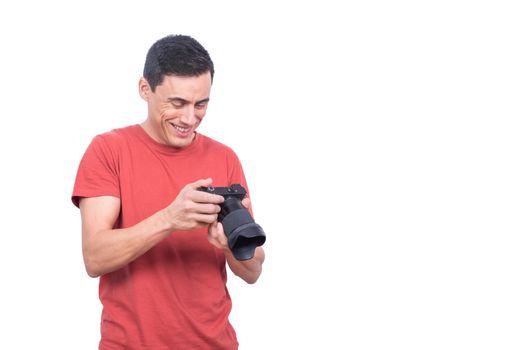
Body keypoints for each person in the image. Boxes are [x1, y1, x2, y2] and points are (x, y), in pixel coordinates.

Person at [71, 34, 265, 350]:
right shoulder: (108, 151)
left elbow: (253, 269)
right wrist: (170, 219)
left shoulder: (225, 157)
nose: (190, 118)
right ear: (145, 89)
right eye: (177, 103)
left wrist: (229, 247)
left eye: (201, 104)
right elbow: (94, 257)